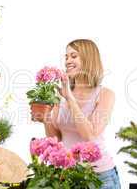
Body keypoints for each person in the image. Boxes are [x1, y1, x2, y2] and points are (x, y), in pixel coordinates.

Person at [31, 39, 121, 188]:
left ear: (88, 59)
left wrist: (70, 99)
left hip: (99, 176)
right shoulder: (59, 95)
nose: (67, 61)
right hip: (67, 174)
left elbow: (90, 136)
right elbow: (56, 138)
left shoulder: (105, 94)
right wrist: (45, 118)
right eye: (66, 57)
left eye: (74, 56)